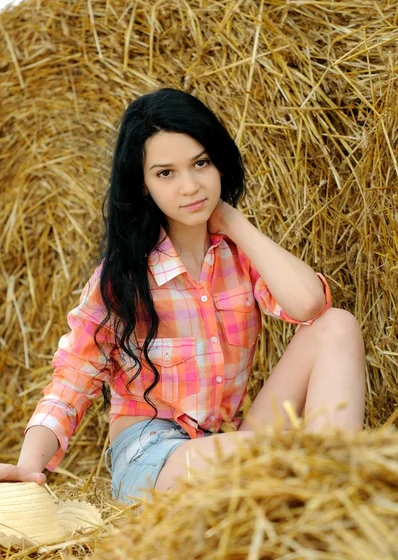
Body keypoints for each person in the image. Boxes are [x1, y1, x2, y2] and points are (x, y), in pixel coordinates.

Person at [0, 88, 366, 504]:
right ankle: (333, 484)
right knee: (286, 460)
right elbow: (70, 382)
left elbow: (310, 306)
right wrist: (28, 469)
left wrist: (232, 220)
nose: (191, 186)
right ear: (142, 184)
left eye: (201, 163)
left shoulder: (239, 256)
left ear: (219, 164)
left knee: (338, 325)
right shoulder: (122, 279)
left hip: (230, 440)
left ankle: (333, 500)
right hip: (155, 456)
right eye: (165, 173)